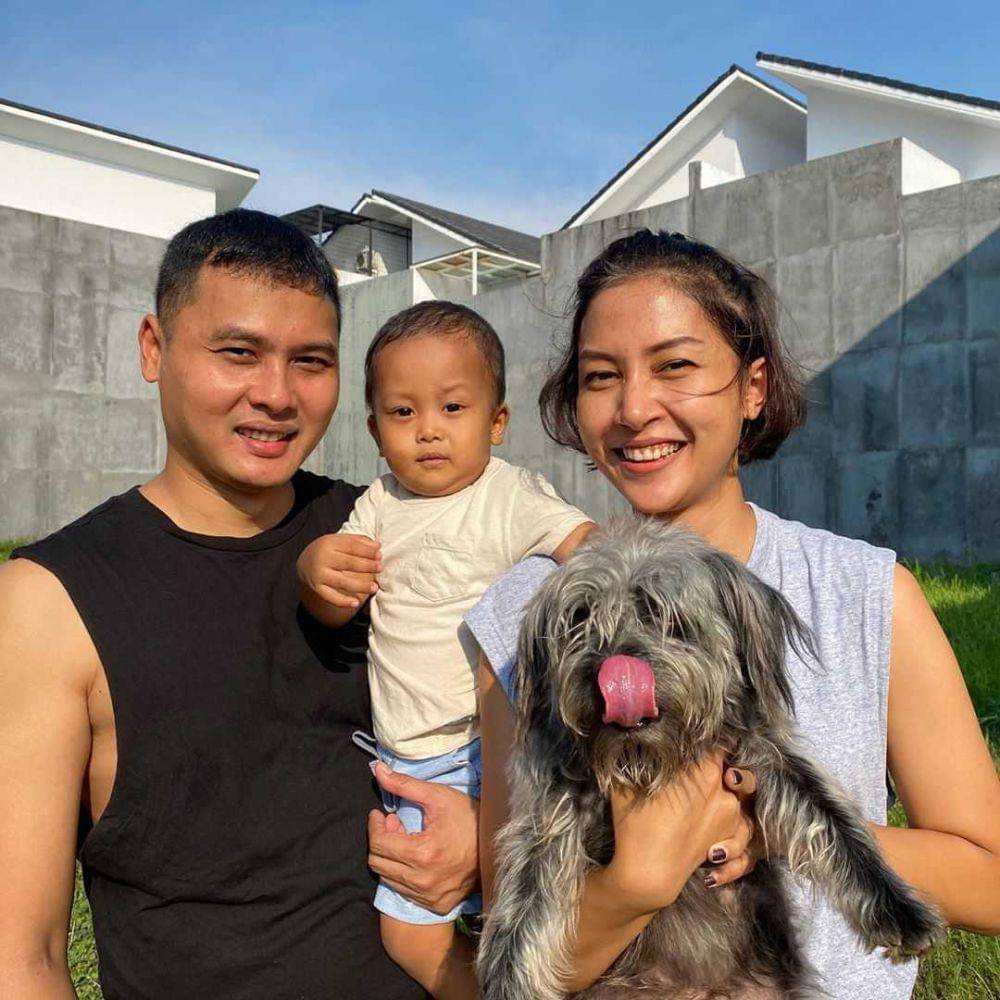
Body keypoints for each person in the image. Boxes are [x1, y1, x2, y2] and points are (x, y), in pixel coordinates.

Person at [466, 230, 1000, 998]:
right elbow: (516, 951)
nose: (634, 408)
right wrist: (636, 882)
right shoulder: (529, 612)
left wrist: (769, 827)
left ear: (753, 387)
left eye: (675, 366)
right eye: (600, 376)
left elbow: (990, 881)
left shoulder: (860, 594)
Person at [0, 210, 477, 999]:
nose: (277, 395)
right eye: (238, 353)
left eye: (310, 361)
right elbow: (23, 957)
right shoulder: (50, 602)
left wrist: (485, 831)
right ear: (154, 348)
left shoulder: (390, 533)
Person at [296, 300, 595, 998]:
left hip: (497, 747)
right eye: (403, 412)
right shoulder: (379, 504)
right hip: (408, 760)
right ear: (375, 431)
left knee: (527, 911)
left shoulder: (510, 495)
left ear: (497, 421)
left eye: (453, 408)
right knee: (413, 934)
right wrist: (315, 573)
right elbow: (334, 600)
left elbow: (586, 547)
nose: (428, 429)